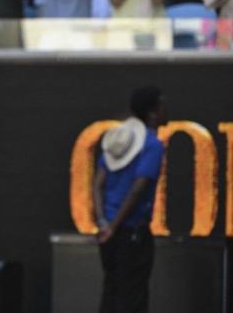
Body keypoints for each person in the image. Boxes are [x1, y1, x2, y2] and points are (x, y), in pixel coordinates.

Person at [93, 86, 167, 313]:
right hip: (132, 233)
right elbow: (138, 189)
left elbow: (98, 184)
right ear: (153, 112)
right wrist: (114, 226)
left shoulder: (120, 140)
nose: (165, 111)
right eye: (162, 106)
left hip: (109, 235)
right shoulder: (152, 145)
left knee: (112, 292)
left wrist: (104, 222)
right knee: (133, 297)